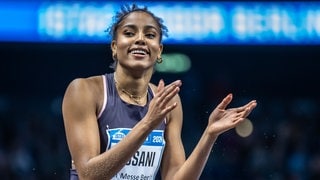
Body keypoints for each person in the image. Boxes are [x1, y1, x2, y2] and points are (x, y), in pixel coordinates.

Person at [62, 4, 257, 180]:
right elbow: (89, 175)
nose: (140, 39)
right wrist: (147, 122)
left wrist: (209, 135)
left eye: (150, 35)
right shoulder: (85, 90)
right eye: (129, 33)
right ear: (114, 47)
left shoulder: (168, 103)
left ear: (159, 50)